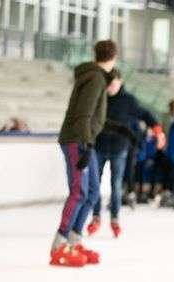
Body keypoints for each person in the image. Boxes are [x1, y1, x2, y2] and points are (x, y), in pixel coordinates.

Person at [50, 39, 117, 267]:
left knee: (93, 192)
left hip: (85, 140)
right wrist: (86, 145)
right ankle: (59, 246)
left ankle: (74, 241)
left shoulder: (96, 76)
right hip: (78, 141)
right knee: (79, 192)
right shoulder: (96, 77)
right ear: (114, 57)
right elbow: (84, 113)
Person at [88, 68, 164, 238]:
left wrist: (158, 131)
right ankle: (95, 217)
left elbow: (146, 114)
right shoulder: (99, 98)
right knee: (95, 185)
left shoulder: (128, 101)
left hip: (119, 149)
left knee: (116, 185)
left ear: (120, 82)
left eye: (113, 84)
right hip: (99, 147)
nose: (110, 87)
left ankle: (114, 218)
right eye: (108, 84)